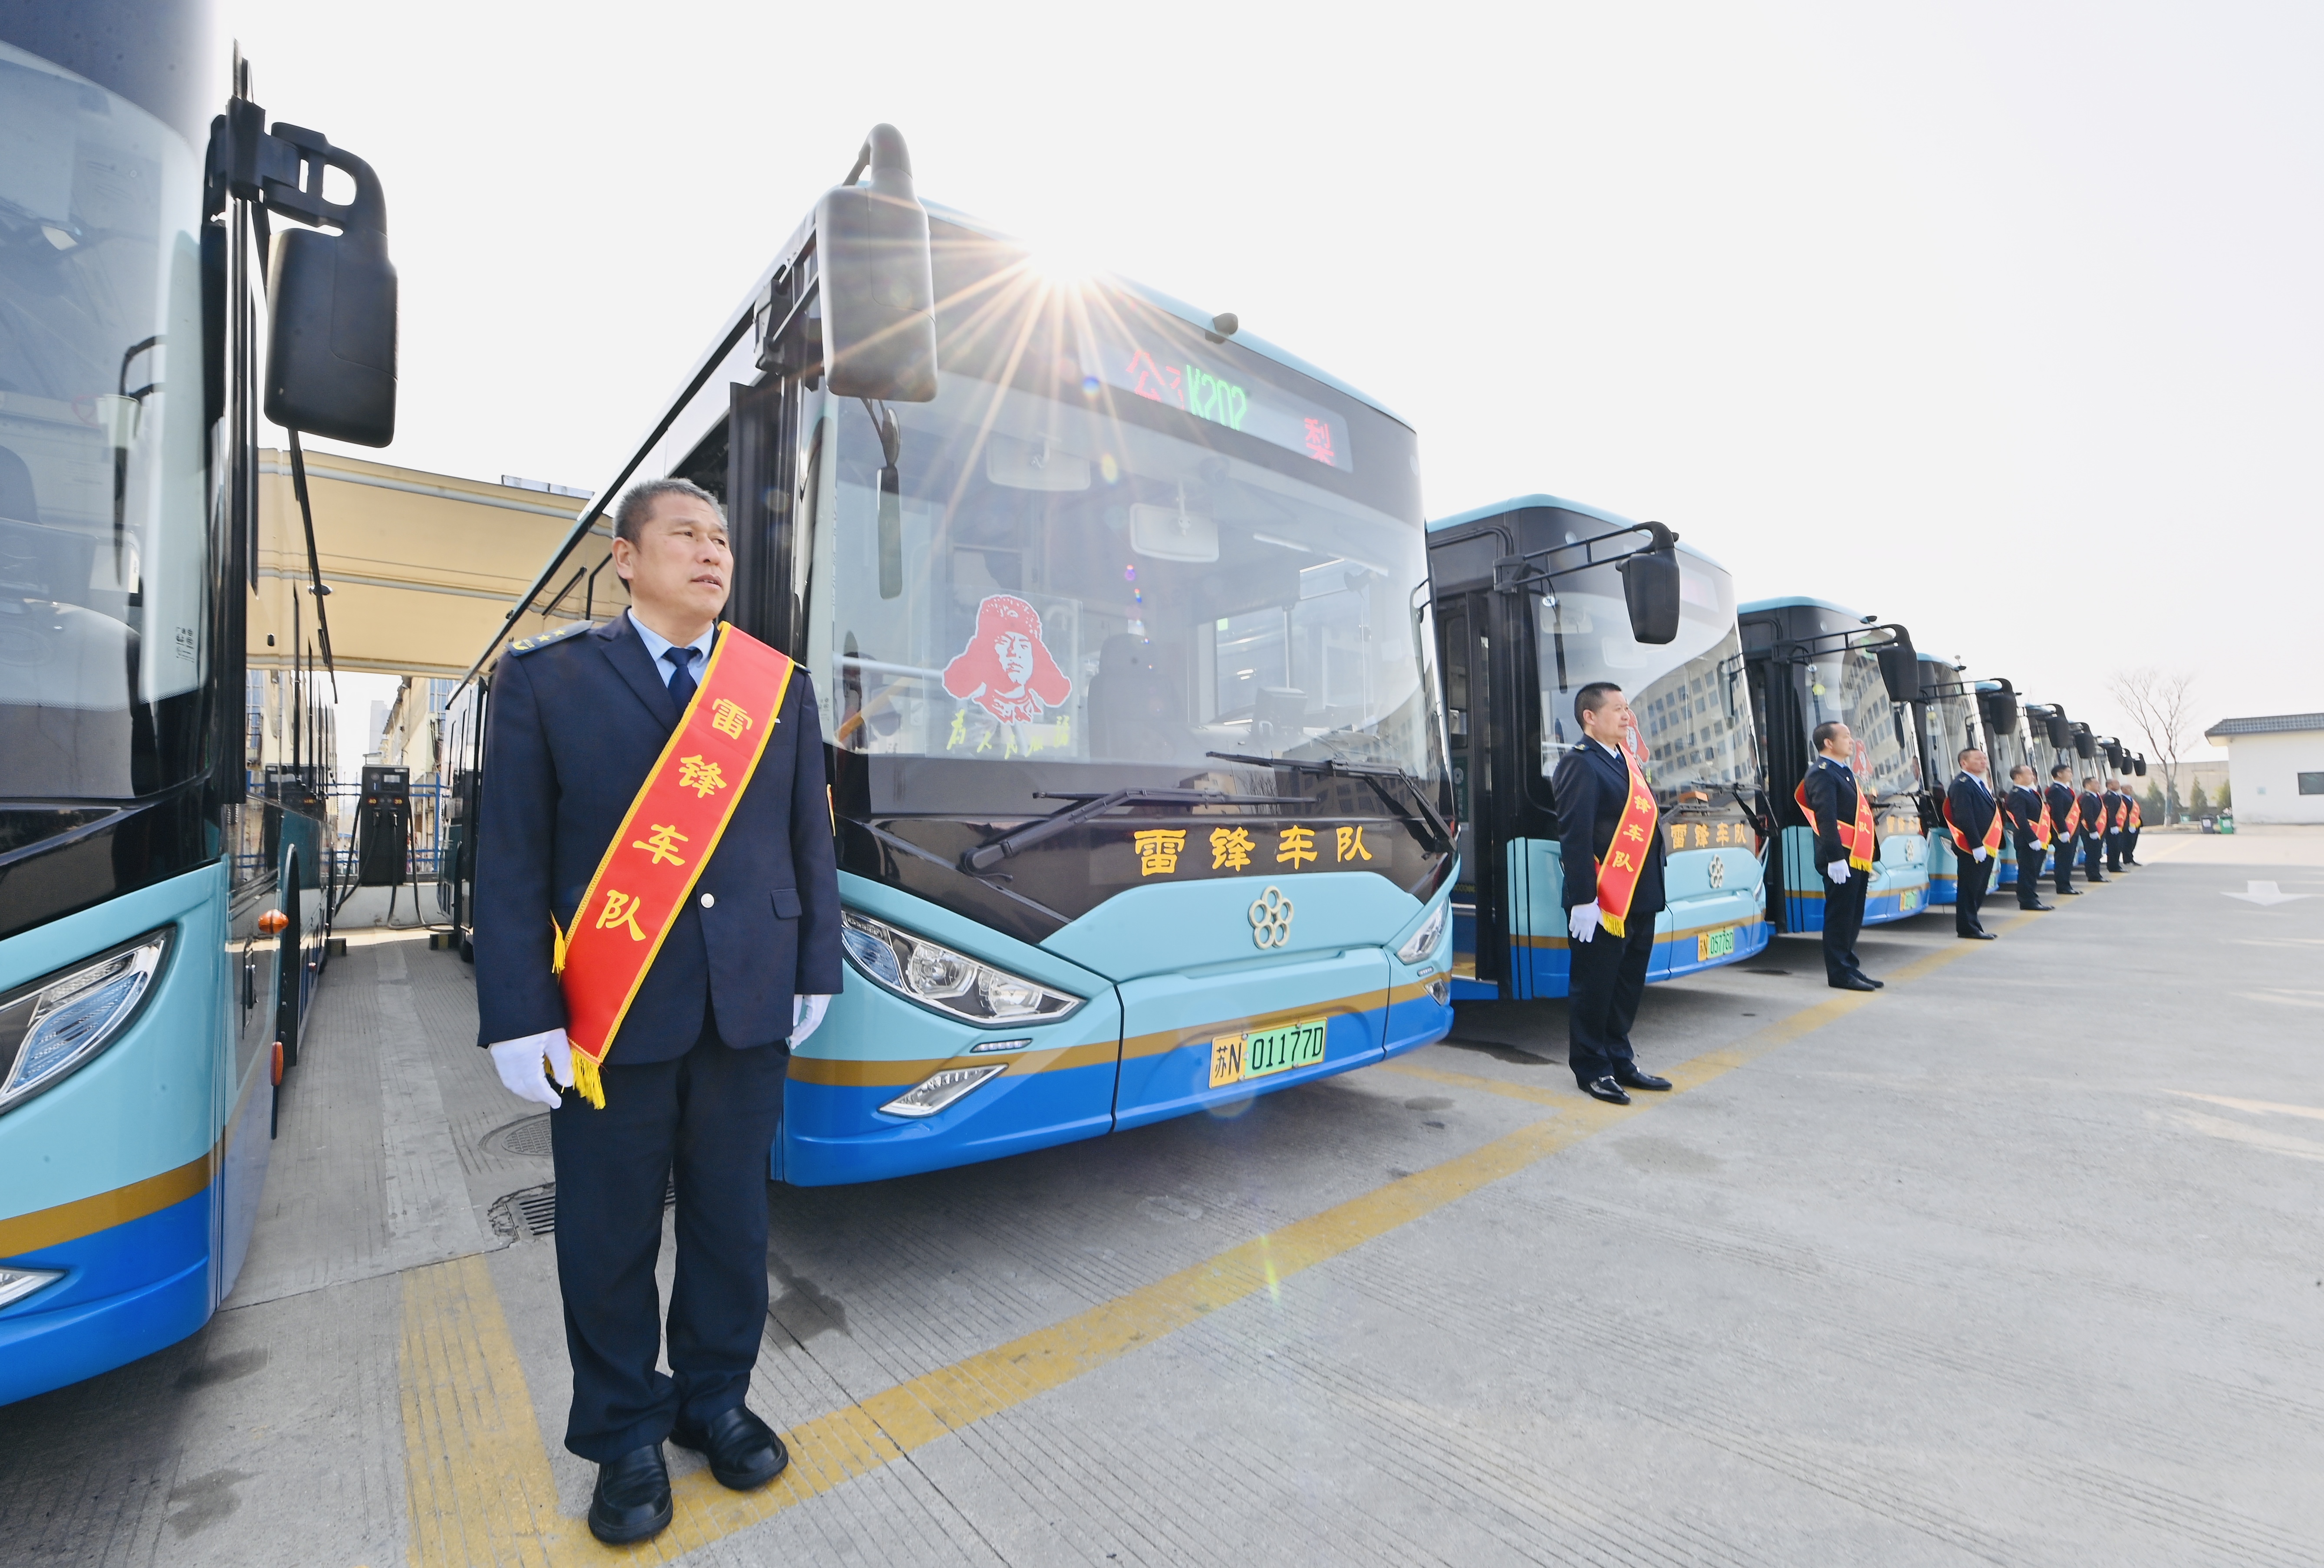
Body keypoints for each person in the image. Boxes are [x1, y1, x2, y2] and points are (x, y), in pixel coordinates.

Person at [473, 478, 844, 1546]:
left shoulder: (773, 686)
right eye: (685, 534)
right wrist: (518, 1012)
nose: (711, 551)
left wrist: (814, 965)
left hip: (746, 1005)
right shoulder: (548, 679)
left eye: (720, 538)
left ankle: (713, 1400)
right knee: (607, 1234)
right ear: (626, 559)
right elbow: (510, 859)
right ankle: (623, 1431)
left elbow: (805, 840)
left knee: (732, 1224)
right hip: (608, 1012)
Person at [1552, 682, 1672, 1106]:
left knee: (1626, 986)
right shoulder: (1579, 764)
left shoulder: (1628, 761)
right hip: (1603, 901)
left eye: (1627, 708)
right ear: (1590, 716)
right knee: (1594, 987)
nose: (1626, 716)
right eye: (1617, 708)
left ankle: (1620, 1060)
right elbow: (1576, 837)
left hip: (1640, 896)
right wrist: (1583, 900)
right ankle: (1592, 1068)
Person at [1800, 721, 1881, 991]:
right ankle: (1839, 974)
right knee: (1840, 916)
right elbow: (1826, 818)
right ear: (1829, 743)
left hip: (1856, 855)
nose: (1851, 741)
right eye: (1846, 736)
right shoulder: (1822, 773)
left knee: (1853, 915)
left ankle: (1850, 967)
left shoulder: (1843, 772)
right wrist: (1835, 858)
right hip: (1841, 858)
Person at [1942, 746, 2001, 939]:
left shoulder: (1979, 784)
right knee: (1969, 889)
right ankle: (1968, 928)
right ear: (1964, 763)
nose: (1984, 762)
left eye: (1984, 759)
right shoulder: (1962, 785)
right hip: (1971, 847)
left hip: (1985, 846)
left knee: (1979, 888)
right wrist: (1976, 845)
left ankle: (1973, 925)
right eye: (1978, 759)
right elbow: (1964, 817)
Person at [2002, 764, 2056, 912]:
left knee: (2034, 871)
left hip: (2038, 839)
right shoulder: (2016, 794)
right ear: (2018, 777)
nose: (2033, 777)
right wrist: (2032, 839)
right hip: (2027, 840)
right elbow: (2021, 819)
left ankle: (2032, 898)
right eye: (2029, 774)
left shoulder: (2031, 793)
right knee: (2027, 872)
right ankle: (2027, 901)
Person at [2044, 766, 2084, 896]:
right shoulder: (2055, 790)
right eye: (2069, 772)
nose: (2071, 774)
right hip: (2063, 831)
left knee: (2069, 859)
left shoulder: (2067, 790)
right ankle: (2062, 886)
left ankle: (2066, 884)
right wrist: (2062, 831)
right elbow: (2057, 812)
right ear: (2059, 774)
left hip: (2072, 830)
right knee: (2063, 859)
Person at [2077, 774, 2111, 884]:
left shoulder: (2096, 797)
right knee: (2092, 854)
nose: (2099, 785)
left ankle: (2096, 874)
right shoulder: (2087, 797)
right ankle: (2093, 875)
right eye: (2096, 783)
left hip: (2098, 831)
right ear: (2088, 785)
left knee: (2097, 854)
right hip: (2090, 831)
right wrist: (2093, 830)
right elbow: (2088, 815)